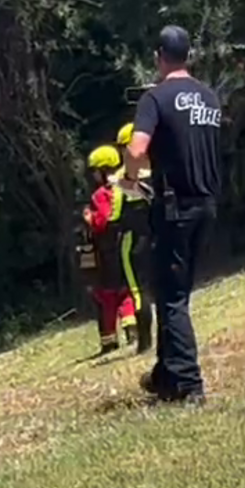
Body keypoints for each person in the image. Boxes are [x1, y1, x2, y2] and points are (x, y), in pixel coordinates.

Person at [123, 25, 223, 404]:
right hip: (207, 203)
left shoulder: (156, 97)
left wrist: (131, 180)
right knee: (175, 291)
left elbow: (136, 150)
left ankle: (189, 384)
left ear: (158, 56)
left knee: (171, 297)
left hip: (174, 205)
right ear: (189, 55)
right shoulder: (209, 97)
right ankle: (165, 375)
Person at [83, 145, 139, 356]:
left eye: (95, 171)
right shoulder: (125, 186)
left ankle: (109, 340)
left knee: (107, 295)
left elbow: (104, 219)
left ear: (103, 169)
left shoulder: (100, 195)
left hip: (107, 251)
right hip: (125, 244)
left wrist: (90, 218)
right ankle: (131, 328)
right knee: (126, 291)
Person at [114, 122, 156, 353]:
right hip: (157, 236)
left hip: (133, 240)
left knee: (138, 291)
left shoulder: (123, 176)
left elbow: (114, 214)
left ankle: (144, 343)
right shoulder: (158, 168)